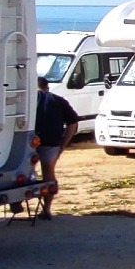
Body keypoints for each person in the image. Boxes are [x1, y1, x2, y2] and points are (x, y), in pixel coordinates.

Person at [32, 77, 80, 220]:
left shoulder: (29, 100)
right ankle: (46, 209)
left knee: (23, 173)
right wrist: (63, 145)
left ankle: (17, 203)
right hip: (51, 142)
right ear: (47, 87)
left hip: (29, 142)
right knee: (48, 174)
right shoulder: (58, 100)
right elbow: (73, 122)